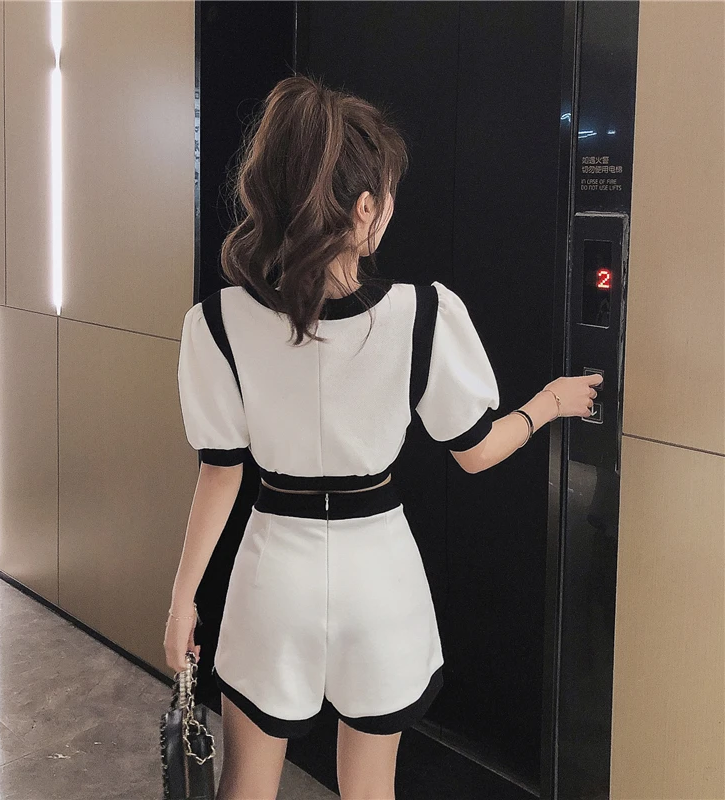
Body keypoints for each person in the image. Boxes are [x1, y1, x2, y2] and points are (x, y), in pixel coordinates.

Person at [164, 74, 601, 800]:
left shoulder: (216, 323)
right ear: (365, 207)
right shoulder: (423, 314)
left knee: (244, 789)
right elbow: (475, 451)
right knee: (371, 791)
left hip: (273, 575)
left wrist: (183, 602)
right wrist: (548, 404)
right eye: (388, 195)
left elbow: (221, 471)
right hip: (380, 577)